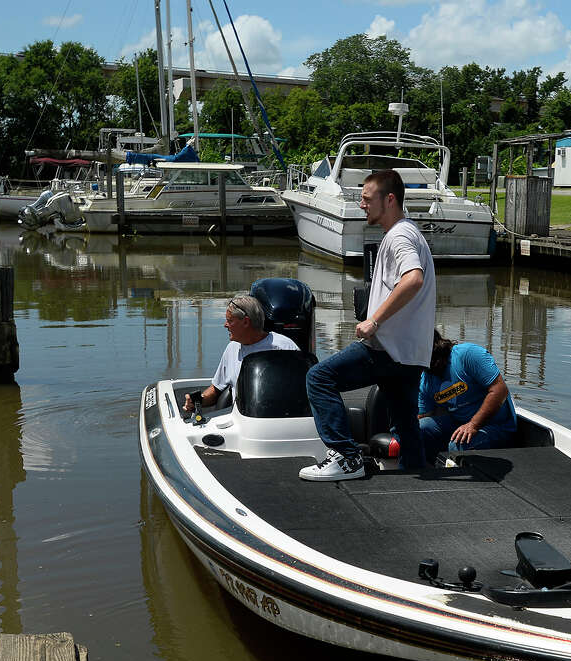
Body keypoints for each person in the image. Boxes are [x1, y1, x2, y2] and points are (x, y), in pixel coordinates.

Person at [300, 169, 436, 481]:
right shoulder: (410, 233)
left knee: (319, 378)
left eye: (366, 198)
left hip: (386, 349)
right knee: (405, 423)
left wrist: (374, 320)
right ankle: (417, 476)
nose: (361, 205)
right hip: (410, 354)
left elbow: (412, 279)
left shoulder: (400, 236)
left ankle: (347, 458)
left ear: (389, 199)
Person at [183, 294, 298, 415]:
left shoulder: (285, 347)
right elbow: (216, 389)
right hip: (241, 422)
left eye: (230, 321)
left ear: (245, 322)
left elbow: (301, 390)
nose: (225, 325)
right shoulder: (232, 348)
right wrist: (198, 401)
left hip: (280, 419)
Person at [418, 330, 516, 462]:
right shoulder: (425, 379)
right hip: (458, 424)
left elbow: (500, 390)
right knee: (420, 428)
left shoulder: (467, 354)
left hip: (496, 426)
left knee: (457, 445)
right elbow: (422, 416)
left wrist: (473, 425)